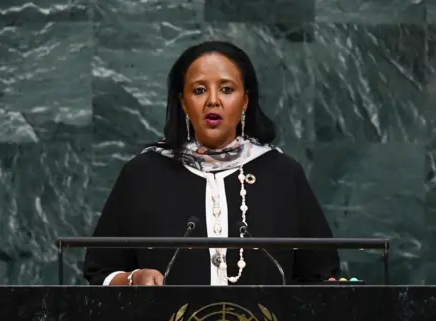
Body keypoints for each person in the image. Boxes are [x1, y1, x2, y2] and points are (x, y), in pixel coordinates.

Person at [83, 41, 340, 286]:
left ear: (245, 101)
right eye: (199, 90)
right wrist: (133, 278)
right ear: (183, 102)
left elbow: (320, 275)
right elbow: (99, 273)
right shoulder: (142, 174)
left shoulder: (283, 174)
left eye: (227, 89)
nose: (213, 101)